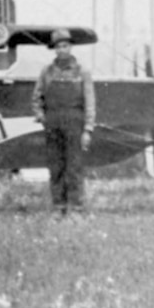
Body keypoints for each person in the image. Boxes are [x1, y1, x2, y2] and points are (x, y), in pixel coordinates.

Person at [31, 29, 96, 214]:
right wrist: (42, 117)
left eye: (65, 46)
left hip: (75, 122)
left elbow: (90, 102)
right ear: (54, 49)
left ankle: (76, 207)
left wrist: (88, 129)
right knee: (56, 167)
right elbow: (36, 98)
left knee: (74, 167)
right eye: (58, 47)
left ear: (71, 47)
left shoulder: (82, 71)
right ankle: (59, 207)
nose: (62, 50)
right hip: (53, 123)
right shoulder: (47, 71)